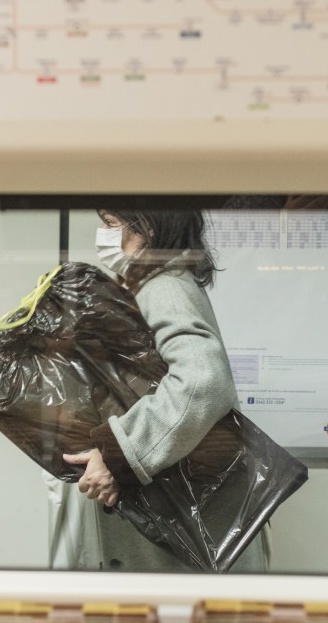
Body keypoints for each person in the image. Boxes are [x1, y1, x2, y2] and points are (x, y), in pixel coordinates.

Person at [58, 209, 270, 573]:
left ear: (149, 227)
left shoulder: (164, 286)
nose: (102, 233)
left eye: (110, 223)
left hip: (186, 524)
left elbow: (202, 380)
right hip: (181, 515)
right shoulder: (152, 284)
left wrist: (120, 452)